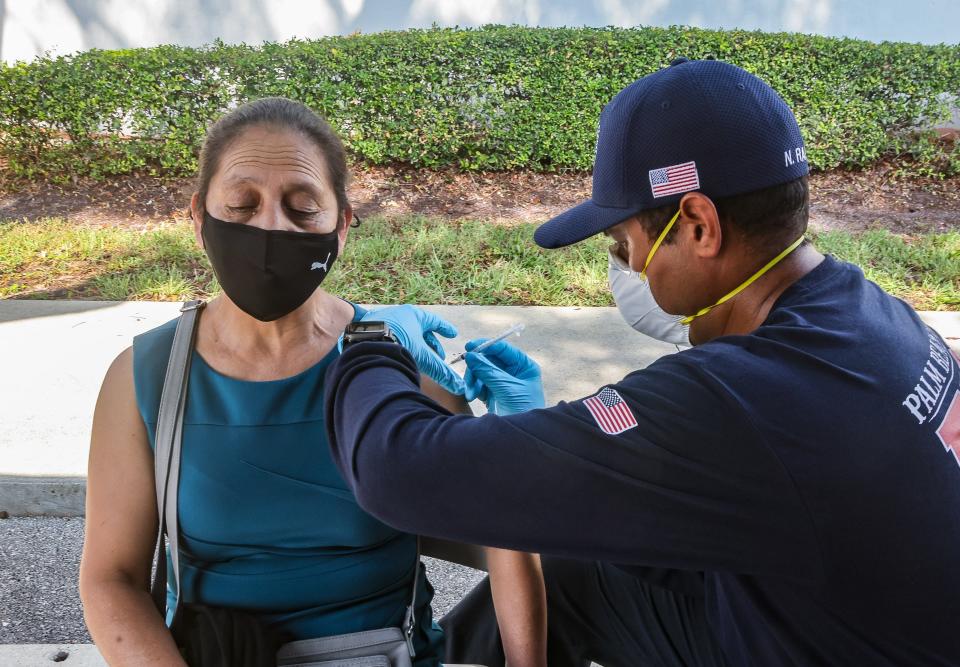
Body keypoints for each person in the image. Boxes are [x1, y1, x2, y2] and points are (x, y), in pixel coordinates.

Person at [324, 59, 960, 666]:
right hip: (839, 613)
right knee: (574, 566)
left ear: (699, 225)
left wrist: (372, 339)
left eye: (624, 245)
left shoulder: (744, 400)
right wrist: (567, 479)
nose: (629, 268)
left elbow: (397, 469)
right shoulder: (869, 312)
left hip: (828, 641)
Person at [79, 97, 546, 667]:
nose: (270, 227)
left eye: (302, 209)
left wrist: (517, 440)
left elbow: (505, 534)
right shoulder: (148, 378)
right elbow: (111, 579)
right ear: (199, 217)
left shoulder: (393, 364)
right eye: (241, 204)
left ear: (342, 226)